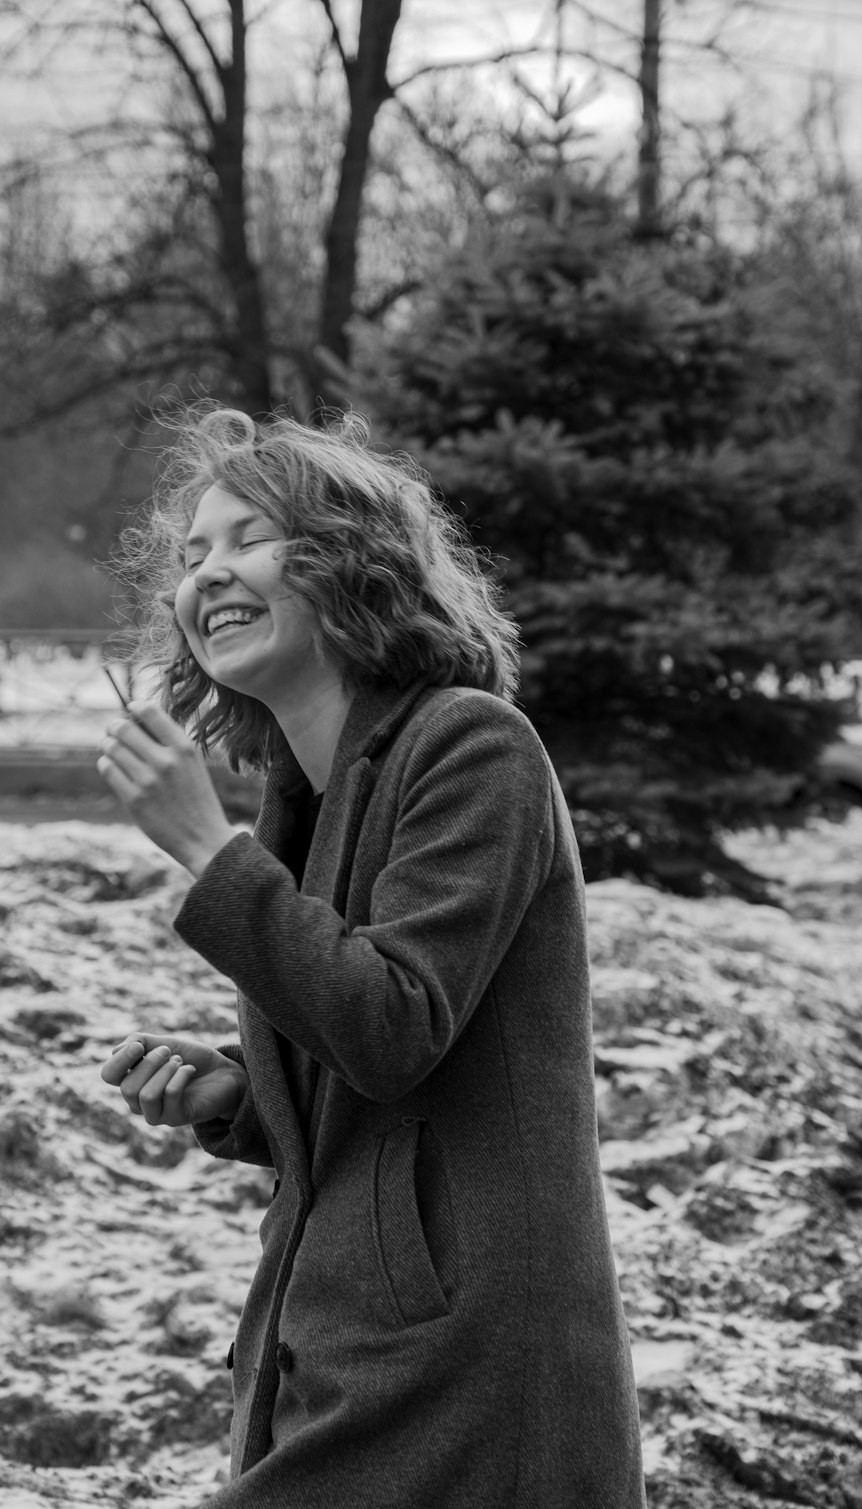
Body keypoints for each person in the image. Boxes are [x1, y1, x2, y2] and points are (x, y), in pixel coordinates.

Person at [97, 405, 647, 1508]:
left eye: (248, 538)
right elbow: (374, 1062)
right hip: (341, 1352)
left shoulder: (470, 744)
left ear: (355, 560)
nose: (208, 574)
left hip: (465, 1372)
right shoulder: (299, 798)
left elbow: (393, 1024)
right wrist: (242, 1094)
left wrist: (204, 853)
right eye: (193, 554)